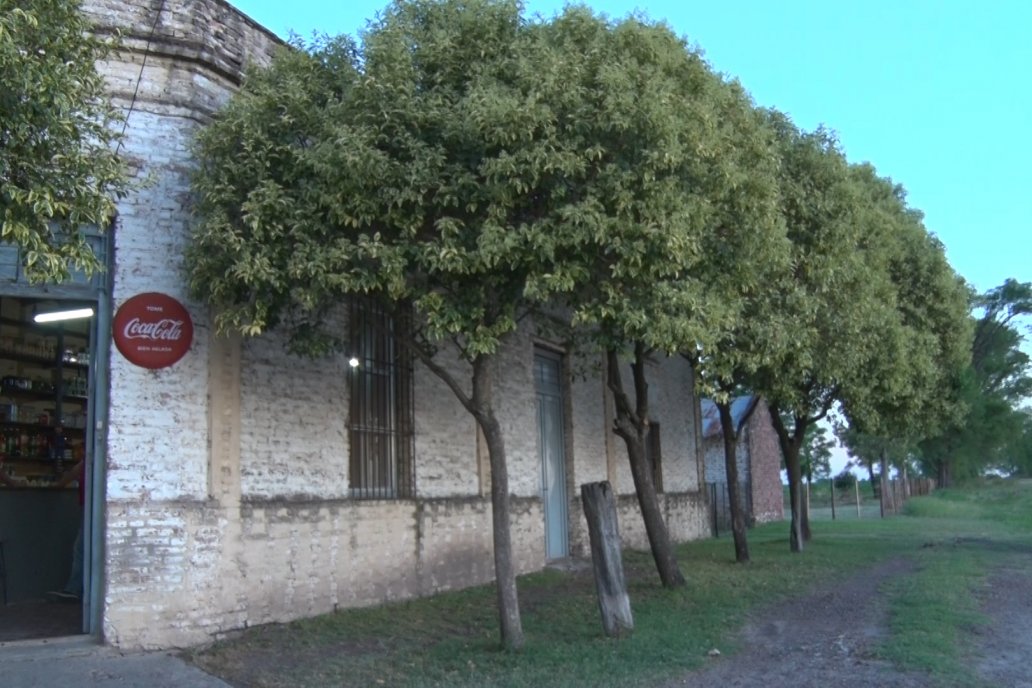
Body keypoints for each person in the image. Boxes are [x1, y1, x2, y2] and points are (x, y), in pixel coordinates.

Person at [50, 454, 85, 602]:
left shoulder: (92, 456)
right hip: (89, 506)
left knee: (81, 548)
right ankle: (78, 589)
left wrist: (58, 485)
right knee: (82, 547)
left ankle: (74, 589)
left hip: (92, 507)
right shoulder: (91, 456)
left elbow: (74, 472)